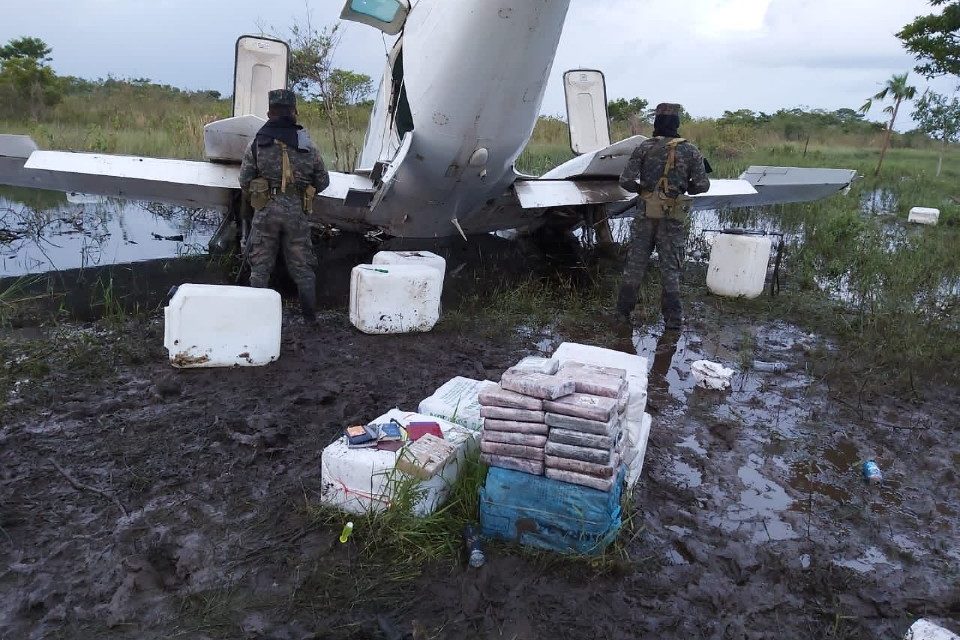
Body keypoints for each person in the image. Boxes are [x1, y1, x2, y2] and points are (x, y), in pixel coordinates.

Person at [238, 89, 330, 324]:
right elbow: (323, 181)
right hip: (296, 212)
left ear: (269, 113)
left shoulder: (258, 142)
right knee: (303, 268)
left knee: (260, 267)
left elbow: (245, 180)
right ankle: (310, 320)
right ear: (295, 112)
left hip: (266, 210)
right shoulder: (307, 144)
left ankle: (257, 320)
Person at [616, 103, 710, 330]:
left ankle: (622, 315)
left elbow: (625, 181)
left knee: (635, 266)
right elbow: (702, 186)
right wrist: (682, 187)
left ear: (656, 123)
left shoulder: (644, 147)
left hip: (645, 213)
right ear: (676, 123)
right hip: (672, 218)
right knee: (670, 269)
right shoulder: (691, 150)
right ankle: (673, 321)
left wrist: (644, 192)